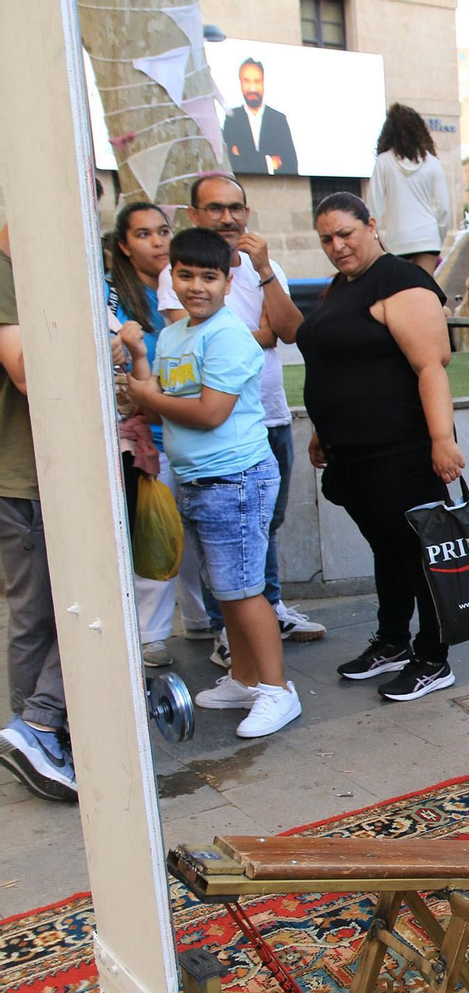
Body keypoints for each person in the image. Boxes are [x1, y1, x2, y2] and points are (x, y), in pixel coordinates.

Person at [125, 228, 302, 739]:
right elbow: (156, 395)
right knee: (226, 590)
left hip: (236, 479)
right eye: (186, 275)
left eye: (209, 277)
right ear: (171, 278)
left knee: (246, 591)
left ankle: (278, 690)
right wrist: (137, 354)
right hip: (200, 480)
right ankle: (244, 679)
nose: (196, 286)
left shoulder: (227, 336)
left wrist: (147, 396)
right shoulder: (176, 335)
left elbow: (209, 413)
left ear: (228, 282)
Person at [296, 192, 465, 701]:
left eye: (345, 233)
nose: (337, 246)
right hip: (353, 452)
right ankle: (393, 640)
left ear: (371, 225)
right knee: (387, 550)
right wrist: (323, 430)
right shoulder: (341, 287)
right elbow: (337, 364)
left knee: (418, 554)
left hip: (402, 449)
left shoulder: (401, 280)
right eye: (327, 239)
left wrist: (442, 440)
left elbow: (432, 366)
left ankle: (433, 657)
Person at [159, 174, 326, 668]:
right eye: (215, 208)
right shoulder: (184, 272)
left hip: (267, 415)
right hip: (214, 442)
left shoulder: (262, 268)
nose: (227, 218)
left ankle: (269, 615)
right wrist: (253, 336)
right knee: (223, 550)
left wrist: (264, 271)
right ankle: (230, 635)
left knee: (262, 527)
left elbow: (289, 332)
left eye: (236, 208)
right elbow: (195, 344)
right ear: (194, 215)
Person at [0, 222, 77, 801]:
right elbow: (28, 373)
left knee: (38, 614)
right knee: (72, 608)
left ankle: (34, 737)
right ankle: (39, 728)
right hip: (28, 477)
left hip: (38, 473)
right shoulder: (10, 274)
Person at [106, 201, 186, 668]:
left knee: (193, 537)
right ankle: (151, 635)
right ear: (123, 245)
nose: (158, 242)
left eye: (163, 231)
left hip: (190, 426)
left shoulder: (184, 283)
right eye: (143, 234)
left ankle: (203, 622)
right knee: (152, 529)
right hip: (143, 437)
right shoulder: (112, 296)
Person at [370, 102, 452, 275]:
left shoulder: (383, 162)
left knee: (400, 289)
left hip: (398, 238)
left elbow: (373, 208)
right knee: (425, 287)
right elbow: (443, 208)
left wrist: (376, 242)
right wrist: (437, 236)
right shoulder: (433, 163)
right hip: (428, 237)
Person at [222, 57, 298, 176]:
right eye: (247, 81)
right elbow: (229, 164)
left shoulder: (278, 120)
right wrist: (269, 163)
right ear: (240, 83)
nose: (252, 88)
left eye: (257, 81)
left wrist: (243, 154)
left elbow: (291, 166)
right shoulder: (232, 118)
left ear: (263, 83)